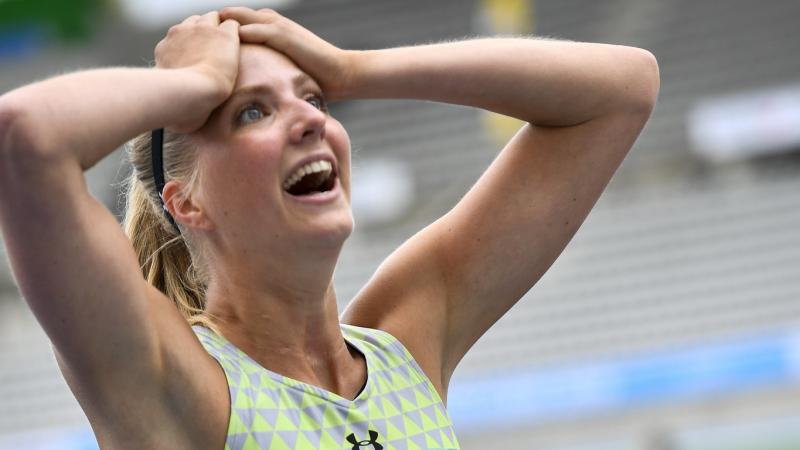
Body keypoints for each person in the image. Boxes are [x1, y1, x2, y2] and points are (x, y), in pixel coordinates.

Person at [0, 6, 659, 450]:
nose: (310, 120)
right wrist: (199, 82)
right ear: (187, 203)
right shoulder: (177, 384)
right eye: (252, 113)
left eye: (313, 99)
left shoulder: (408, 340)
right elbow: (25, 139)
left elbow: (622, 89)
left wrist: (351, 69)